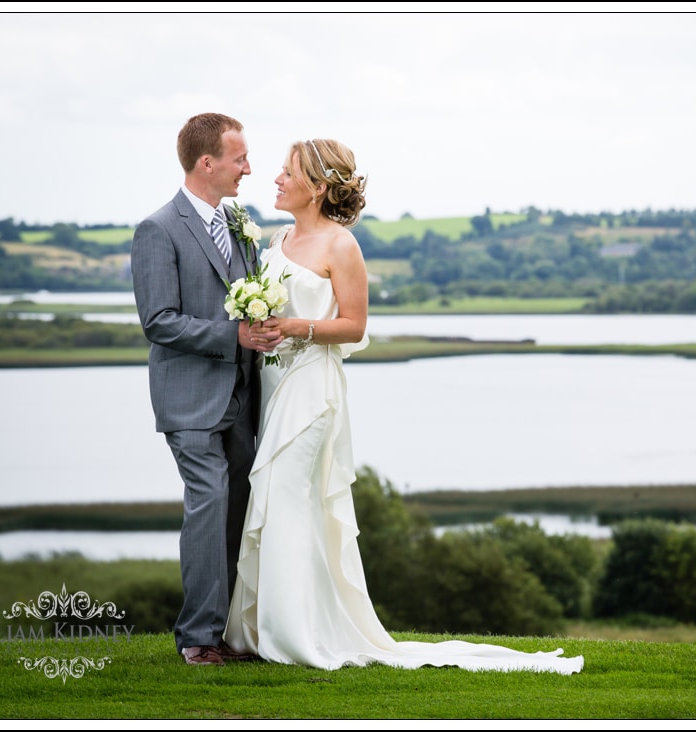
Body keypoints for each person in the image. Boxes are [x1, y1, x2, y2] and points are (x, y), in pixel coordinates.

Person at [222, 138, 583, 675]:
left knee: (291, 499)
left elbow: (356, 325)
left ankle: (293, 632)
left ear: (317, 187)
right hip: (273, 388)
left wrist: (298, 326)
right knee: (273, 502)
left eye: (286, 171)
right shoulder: (278, 238)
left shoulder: (341, 245)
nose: (274, 178)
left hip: (311, 389)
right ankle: (268, 625)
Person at [131, 113, 283, 667]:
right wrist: (233, 333)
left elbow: (248, 297)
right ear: (207, 162)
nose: (249, 168)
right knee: (210, 502)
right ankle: (197, 638)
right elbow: (159, 321)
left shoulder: (238, 221)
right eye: (240, 159)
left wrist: (263, 332)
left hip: (244, 397)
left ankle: (228, 633)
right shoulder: (158, 228)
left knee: (239, 508)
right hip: (189, 400)